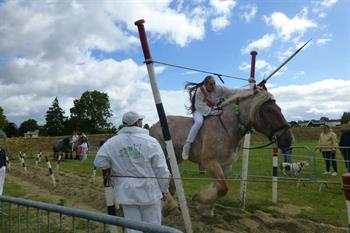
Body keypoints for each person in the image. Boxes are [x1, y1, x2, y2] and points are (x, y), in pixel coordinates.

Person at [94, 111, 170, 233]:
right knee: (154, 227)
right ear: (138, 123)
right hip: (149, 191)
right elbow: (162, 170)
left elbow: (99, 161)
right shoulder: (150, 142)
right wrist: (164, 189)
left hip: (126, 192)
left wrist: (115, 169)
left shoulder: (112, 142)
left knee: (133, 228)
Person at [182, 75, 236, 160]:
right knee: (199, 122)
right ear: (206, 84)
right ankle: (187, 144)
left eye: (214, 83)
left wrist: (250, 90)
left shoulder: (218, 88)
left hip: (212, 110)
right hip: (199, 111)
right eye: (211, 84)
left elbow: (232, 91)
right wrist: (215, 112)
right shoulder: (200, 91)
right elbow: (201, 107)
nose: (213, 86)